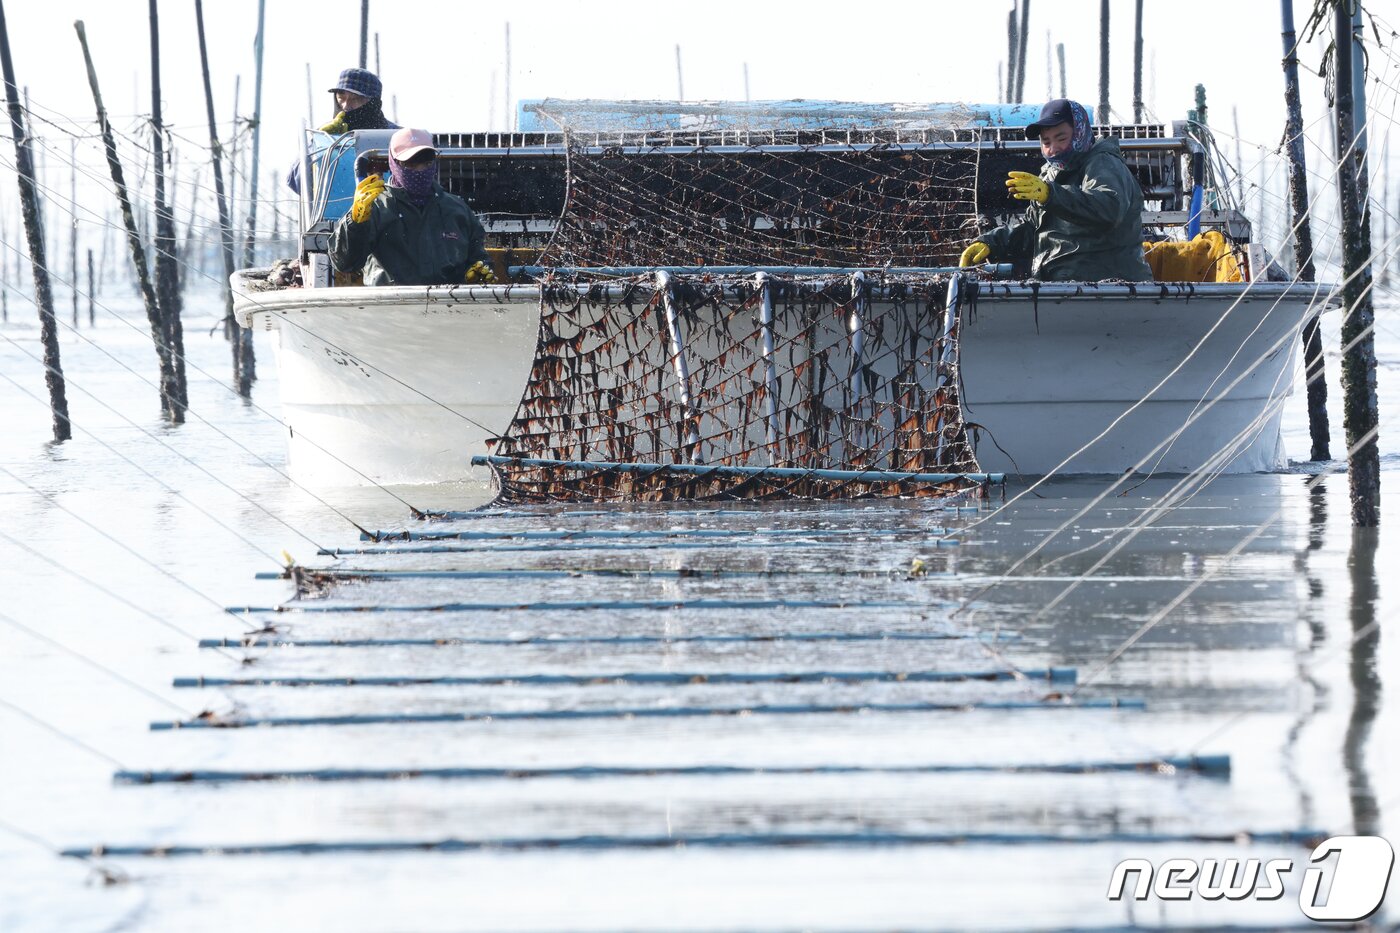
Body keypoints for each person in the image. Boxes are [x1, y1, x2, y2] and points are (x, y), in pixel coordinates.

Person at [960, 98, 1152, 281]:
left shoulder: (1103, 162)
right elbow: (1033, 229)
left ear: (1080, 132)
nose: (1053, 148)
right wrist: (992, 243)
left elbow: (1108, 209)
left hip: (1109, 288)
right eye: (1046, 142)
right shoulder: (1050, 174)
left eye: (1061, 138)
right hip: (1060, 285)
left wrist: (1050, 194)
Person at [330, 127, 495, 286]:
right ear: (393, 163)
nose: (419, 171)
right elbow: (345, 263)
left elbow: (479, 259)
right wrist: (355, 221)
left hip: (449, 307)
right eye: (409, 164)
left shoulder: (457, 210)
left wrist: (475, 277)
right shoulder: (375, 207)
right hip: (390, 308)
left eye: (426, 163)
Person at [287, 68, 398, 194]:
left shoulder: (397, 137)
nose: (346, 105)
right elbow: (296, 181)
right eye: (341, 97)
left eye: (356, 99)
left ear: (373, 103)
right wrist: (321, 145)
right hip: (335, 212)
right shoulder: (324, 134)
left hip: (386, 210)